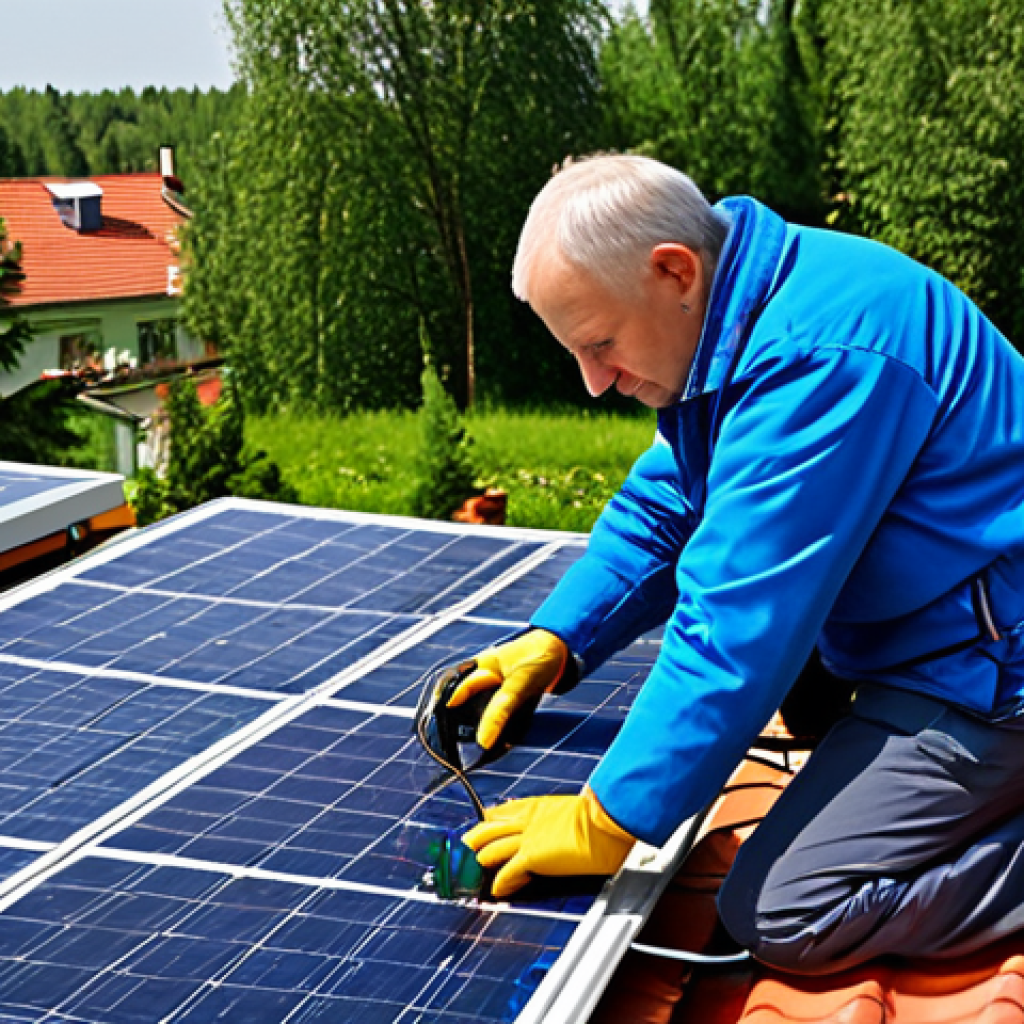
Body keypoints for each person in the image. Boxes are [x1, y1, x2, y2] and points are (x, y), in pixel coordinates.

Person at [452, 153, 1024, 975]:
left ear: (672, 270)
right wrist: (559, 636)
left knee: (785, 909)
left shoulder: (818, 357)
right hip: (943, 628)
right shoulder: (737, 316)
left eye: (600, 343)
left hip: (996, 673)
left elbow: (736, 620)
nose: (594, 383)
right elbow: (671, 503)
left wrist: (607, 820)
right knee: (805, 704)